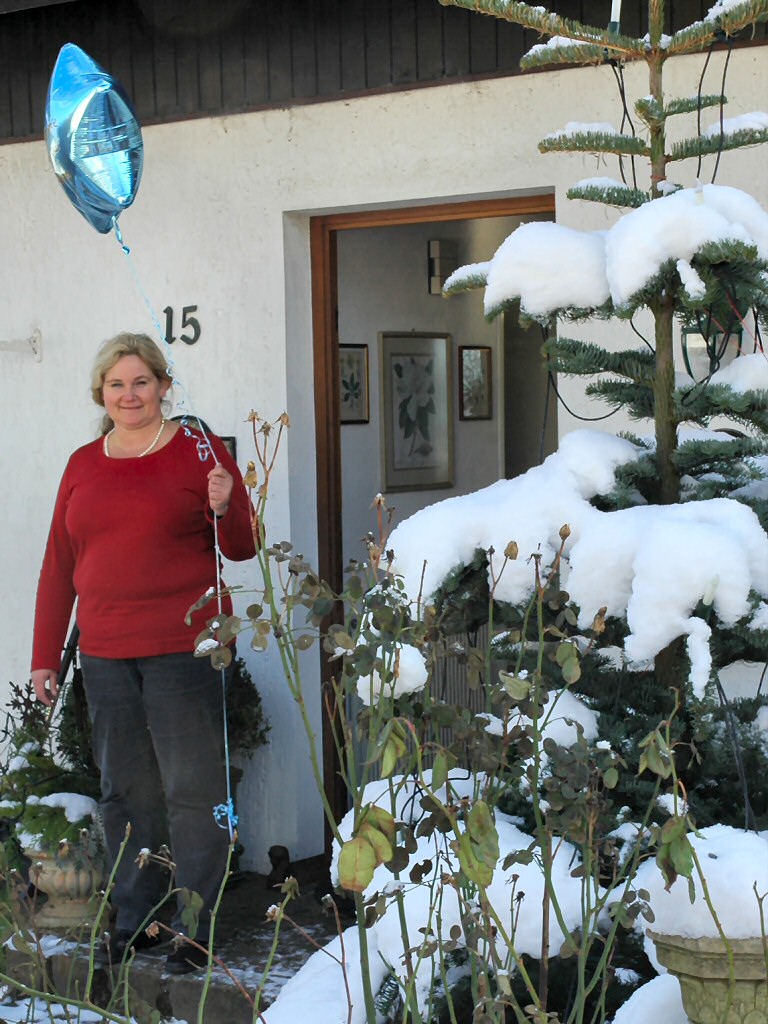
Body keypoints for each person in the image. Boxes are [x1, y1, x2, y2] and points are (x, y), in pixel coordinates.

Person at [30, 332, 256, 973]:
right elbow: (60, 563)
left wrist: (225, 503)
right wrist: (45, 654)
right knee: (126, 795)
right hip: (105, 652)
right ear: (101, 394)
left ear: (163, 386)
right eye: (116, 384)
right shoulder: (82, 463)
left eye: (140, 382)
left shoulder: (198, 450)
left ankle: (196, 929)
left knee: (194, 790)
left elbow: (242, 546)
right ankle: (138, 919)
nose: (129, 395)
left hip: (185, 649)